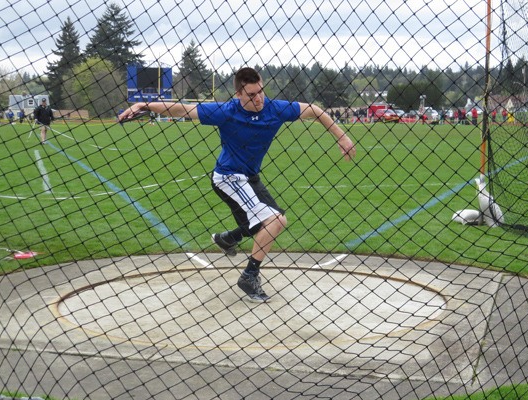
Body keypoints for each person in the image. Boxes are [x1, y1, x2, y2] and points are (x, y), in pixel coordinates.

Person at [118, 67, 356, 303]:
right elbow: (184, 109)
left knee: (267, 223)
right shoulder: (226, 112)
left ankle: (229, 239)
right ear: (239, 95)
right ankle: (249, 276)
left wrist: (342, 136)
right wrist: (144, 105)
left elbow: (314, 110)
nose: (259, 98)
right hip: (228, 178)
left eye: (260, 91)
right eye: (252, 95)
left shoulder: (275, 108)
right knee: (275, 221)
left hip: (250, 179)